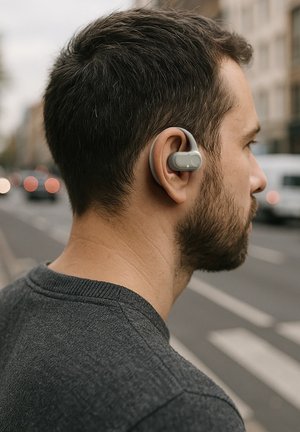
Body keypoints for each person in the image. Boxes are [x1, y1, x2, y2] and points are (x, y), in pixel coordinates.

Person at [0, 8, 266, 432]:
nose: (259, 178)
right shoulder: (178, 412)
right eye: (247, 144)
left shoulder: (10, 310)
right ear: (176, 164)